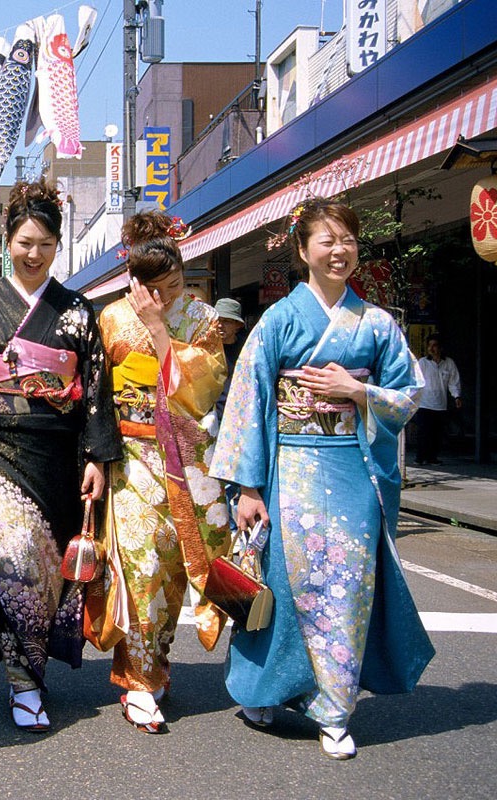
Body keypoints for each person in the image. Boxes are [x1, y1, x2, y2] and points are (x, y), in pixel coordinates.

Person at [209, 197, 434, 760]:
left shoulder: (377, 324)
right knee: (285, 584)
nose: (340, 251)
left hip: (352, 467)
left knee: (347, 586)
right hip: (292, 467)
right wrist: (249, 488)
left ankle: (334, 710)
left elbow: (410, 393)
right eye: (327, 241)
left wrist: (359, 393)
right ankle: (269, 688)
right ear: (303, 249)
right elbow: (246, 403)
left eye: (348, 240)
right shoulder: (279, 321)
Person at [0, 178, 120, 731]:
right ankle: (23, 683)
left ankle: (34, 668)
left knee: (48, 572)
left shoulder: (76, 311)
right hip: (2, 456)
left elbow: (96, 386)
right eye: (25, 242)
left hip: (59, 456)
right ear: (6, 240)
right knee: (13, 561)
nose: (34, 253)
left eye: (46, 244)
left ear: (57, 246)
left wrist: (96, 454)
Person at [88, 210, 231, 734]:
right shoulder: (110, 319)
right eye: (160, 289)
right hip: (130, 459)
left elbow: (205, 386)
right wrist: (95, 457)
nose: (170, 296)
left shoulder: (202, 318)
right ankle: (139, 681)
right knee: (140, 566)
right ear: (136, 282)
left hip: (186, 462)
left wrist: (158, 328)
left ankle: (157, 663)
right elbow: (97, 396)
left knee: (174, 569)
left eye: (177, 284)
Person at [414, 333, 462, 465]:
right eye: (429, 345)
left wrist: (456, 396)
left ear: (440, 348)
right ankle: (420, 457)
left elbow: (453, 381)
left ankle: (432, 457)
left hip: (441, 404)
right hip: (425, 403)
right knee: (424, 432)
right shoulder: (423, 363)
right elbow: (416, 381)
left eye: (434, 345)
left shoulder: (449, 363)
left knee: (437, 433)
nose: (431, 348)